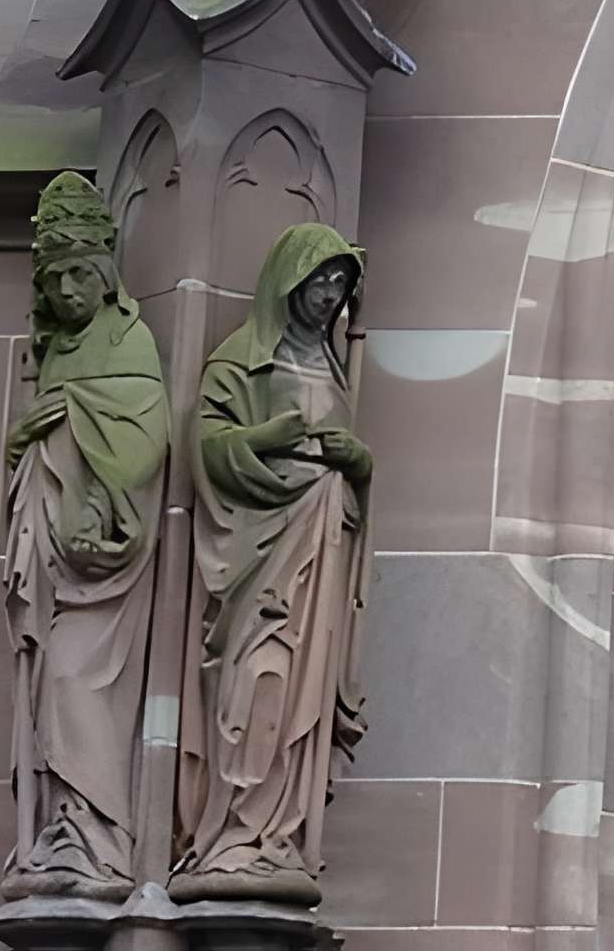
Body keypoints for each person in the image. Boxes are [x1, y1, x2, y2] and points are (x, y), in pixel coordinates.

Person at [177, 227, 377, 904]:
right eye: (319, 280)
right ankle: (233, 833)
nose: (329, 296)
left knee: (301, 693)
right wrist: (265, 438)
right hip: (258, 551)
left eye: (340, 285)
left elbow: (354, 477)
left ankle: (278, 835)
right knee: (255, 675)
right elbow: (207, 448)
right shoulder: (240, 363)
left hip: (320, 551)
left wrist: (358, 464)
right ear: (289, 282)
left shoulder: (336, 369)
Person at [0, 175, 164, 897]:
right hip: (52, 558)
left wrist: (94, 500)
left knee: (73, 680)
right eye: (54, 278)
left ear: (104, 274)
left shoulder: (131, 342)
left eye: (78, 274)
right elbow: (33, 457)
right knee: (48, 687)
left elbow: (140, 445)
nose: (66, 290)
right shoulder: (53, 353)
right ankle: (64, 829)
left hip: (105, 567)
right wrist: (21, 442)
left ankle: (99, 837)